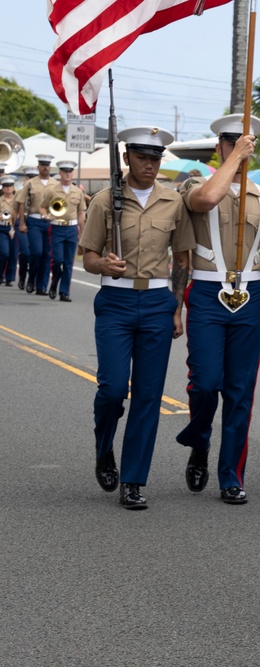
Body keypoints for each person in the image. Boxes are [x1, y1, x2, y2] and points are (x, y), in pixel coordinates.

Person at [79, 126, 194, 509]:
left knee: (148, 394)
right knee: (113, 390)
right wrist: (104, 265)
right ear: (127, 158)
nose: (150, 165)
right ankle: (104, 445)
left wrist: (176, 308)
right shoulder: (103, 201)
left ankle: (133, 480)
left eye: (156, 158)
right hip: (115, 303)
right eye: (143, 157)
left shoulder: (173, 202)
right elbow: (88, 256)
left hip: (158, 304)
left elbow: (181, 259)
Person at [175, 113, 260, 505]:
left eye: (246, 143)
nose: (242, 148)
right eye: (232, 142)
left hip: (250, 297)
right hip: (207, 294)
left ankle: (232, 475)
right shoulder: (196, 185)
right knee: (205, 383)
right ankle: (200, 440)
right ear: (219, 146)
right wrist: (232, 161)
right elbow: (205, 200)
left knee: (241, 392)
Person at [39, 160, 87, 302]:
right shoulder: (53, 190)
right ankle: (54, 283)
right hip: (57, 227)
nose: (68, 174)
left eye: (70, 171)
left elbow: (81, 212)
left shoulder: (77, 191)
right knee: (57, 259)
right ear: (60, 173)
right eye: (65, 171)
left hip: (72, 228)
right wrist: (45, 215)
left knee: (68, 262)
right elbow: (43, 207)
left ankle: (64, 292)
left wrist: (82, 232)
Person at [14, 155, 55, 295]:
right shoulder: (30, 183)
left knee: (46, 255)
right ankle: (31, 279)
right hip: (34, 220)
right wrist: (22, 223)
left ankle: (41, 286)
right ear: (38, 167)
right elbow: (21, 202)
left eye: (47, 165)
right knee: (36, 253)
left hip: (50, 221)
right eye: (42, 165)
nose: (45, 167)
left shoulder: (55, 184)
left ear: (50, 167)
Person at [0, 176, 16, 285]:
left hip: (14, 227)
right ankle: (1, 274)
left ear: (13, 187)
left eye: (10, 186)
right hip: (2, 227)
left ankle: (10, 278)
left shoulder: (17, 200)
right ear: (2, 188)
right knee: (4, 253)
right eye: (6, 186)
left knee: (13, 254)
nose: (8, 188)